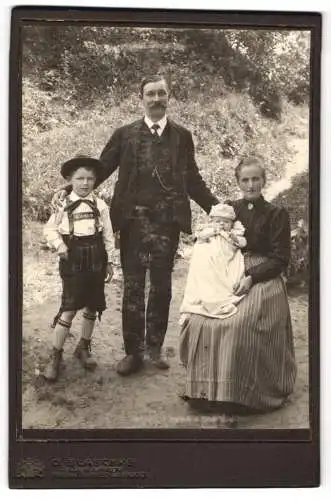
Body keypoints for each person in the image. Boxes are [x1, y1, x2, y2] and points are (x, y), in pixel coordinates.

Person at [52, 74, 219, 376]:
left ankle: (154, 348)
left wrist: (215, 206)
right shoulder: (124, 134)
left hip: (167, 227)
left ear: (170, 97)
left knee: (162, 288)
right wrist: (70, 189)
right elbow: (100, 169)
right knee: (132, 289)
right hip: (131, 225)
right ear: (140, 98)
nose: (156, 99)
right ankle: (133, 353)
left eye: (161, 94)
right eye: (150, 94)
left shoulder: (182, 137)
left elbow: (192, 179)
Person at [179, 156, 297, 416]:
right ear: (238, 182)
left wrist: (252, 277)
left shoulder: (277, 214)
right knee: (201, 319)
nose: (251, 184)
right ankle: (207, 392)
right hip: (230, 267)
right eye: (245, 180)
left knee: (238, 323)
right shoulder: (230, 208)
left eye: (256, 179)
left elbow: (280, 258)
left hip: (263, 275)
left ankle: (241, 394)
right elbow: (214, 240)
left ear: (264, 181)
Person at [43, 156, 114, 382]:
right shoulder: (62, 204)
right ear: (70, 180)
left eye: (90, 179)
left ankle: (83, 347)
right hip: (72, 258)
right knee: (70, 307)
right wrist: (60, 245)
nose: (85, 183)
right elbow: (49, 230)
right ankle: (56, 355)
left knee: (93, 305)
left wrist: (110, 261)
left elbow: (108, 236)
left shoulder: (100, 205)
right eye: (80, 178)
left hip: (96, 259)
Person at [179, 203, 247, 322]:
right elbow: (200, 237)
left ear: (231, 223)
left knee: (226, 277)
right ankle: (195, 303)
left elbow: (243, 243)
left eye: (226, 222)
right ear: (212, 222)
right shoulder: (209, 230)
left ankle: (218, 299)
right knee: (202, 264)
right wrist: (212, 231)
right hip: (210, 257)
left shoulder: (234, 232)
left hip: (227, 257)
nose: (221, 224)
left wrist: (234, 238)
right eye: (218, 221)